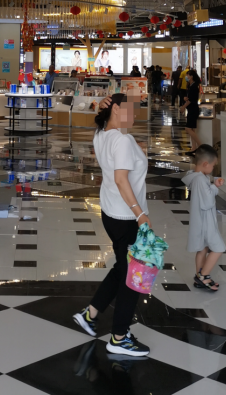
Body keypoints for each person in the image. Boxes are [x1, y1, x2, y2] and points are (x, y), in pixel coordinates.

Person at [73, 93, 151, 357]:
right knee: (133, 278)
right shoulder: (122, 140)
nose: (135, 114)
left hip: (111, 214)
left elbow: (115, 143)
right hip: (127, 218)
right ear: (116, 109)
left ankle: (91, 313)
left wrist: (103, 104)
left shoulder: (102, 134)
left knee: (122, 266)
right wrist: (140, 214)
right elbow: (120, 179)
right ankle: (119, 337)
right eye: (130, 109)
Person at [182, 146, 225, 292]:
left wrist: (213, 185)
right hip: (206, 222)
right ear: (206, 164)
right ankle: (203, 276)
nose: (213, 168)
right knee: (219, 248)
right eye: (213, 165)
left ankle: (199, 276)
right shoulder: (200, 179)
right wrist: (214, 187)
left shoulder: (196, 177)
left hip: (200, 220)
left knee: (202, 248)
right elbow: (207, 203)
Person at [180, 69, 202, 151]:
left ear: (192, 76)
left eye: (188, 75)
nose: (187, 76)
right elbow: (190, 98)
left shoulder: (194, 86)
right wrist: (186, 98)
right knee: (191, 129)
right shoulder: (191, 85)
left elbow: (192, 100)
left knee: (188, 128)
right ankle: (194, 147)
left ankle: (200, 145)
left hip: (193, 109)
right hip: (191, 109)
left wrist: (183, 107)